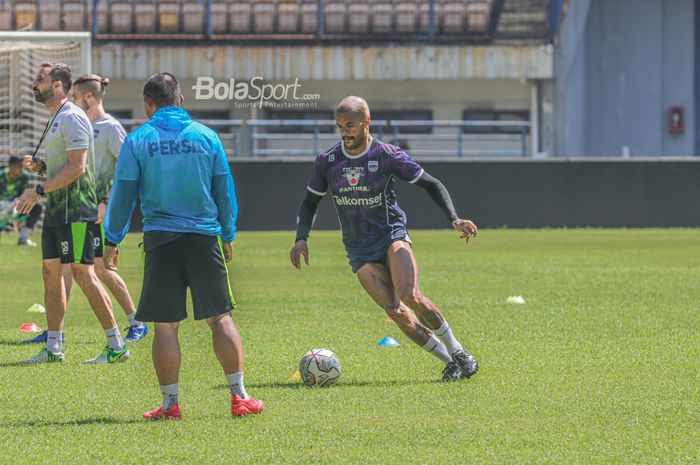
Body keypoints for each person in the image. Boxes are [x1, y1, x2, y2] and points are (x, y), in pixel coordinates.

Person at [104, 72, 263, 419]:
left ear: (148, 103)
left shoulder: (138, 140)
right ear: (181, 100)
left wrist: (112, 238)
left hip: (161, 240)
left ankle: (170, 405)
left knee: (164, 324)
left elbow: (123, 197)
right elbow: (224, 189)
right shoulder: (207, 137)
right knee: (220, 318)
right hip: (204, 237)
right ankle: (239, 397)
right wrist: (227, 232)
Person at [290, 96, 479, 382]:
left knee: (410, 295)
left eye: (350, 125)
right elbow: (309, 203)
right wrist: (301, 238)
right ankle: (450, 362)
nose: (345, 132)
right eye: (340, 126)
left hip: (391, 236)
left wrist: (454, 218)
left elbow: (432, 184)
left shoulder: (387, 155)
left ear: (367, 122)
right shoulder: (327, 161)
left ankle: (459, 350)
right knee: (396, 311)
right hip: (358, 248)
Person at [15, 62, 129, 364]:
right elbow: (65, 163)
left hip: (77, 210)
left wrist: (37, 190)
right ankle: (54, 347)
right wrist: (40, 166)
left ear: (56, 86)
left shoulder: (73, 117)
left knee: (83, 273)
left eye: (41, 80)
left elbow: (77, 168)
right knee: (50, 273)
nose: (35, 84)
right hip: (57, 209)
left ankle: (116, 344)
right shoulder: (55, 118)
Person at [0, 155, 41, 246]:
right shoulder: (1, 176)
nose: (22, 169)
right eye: (19, 167)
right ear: (11, 166)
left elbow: (21, 193)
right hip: (1, 210)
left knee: (37, 206)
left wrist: (14, 206)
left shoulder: (24, 177)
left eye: (22, 166)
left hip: (13, 207)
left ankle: (24, 238)